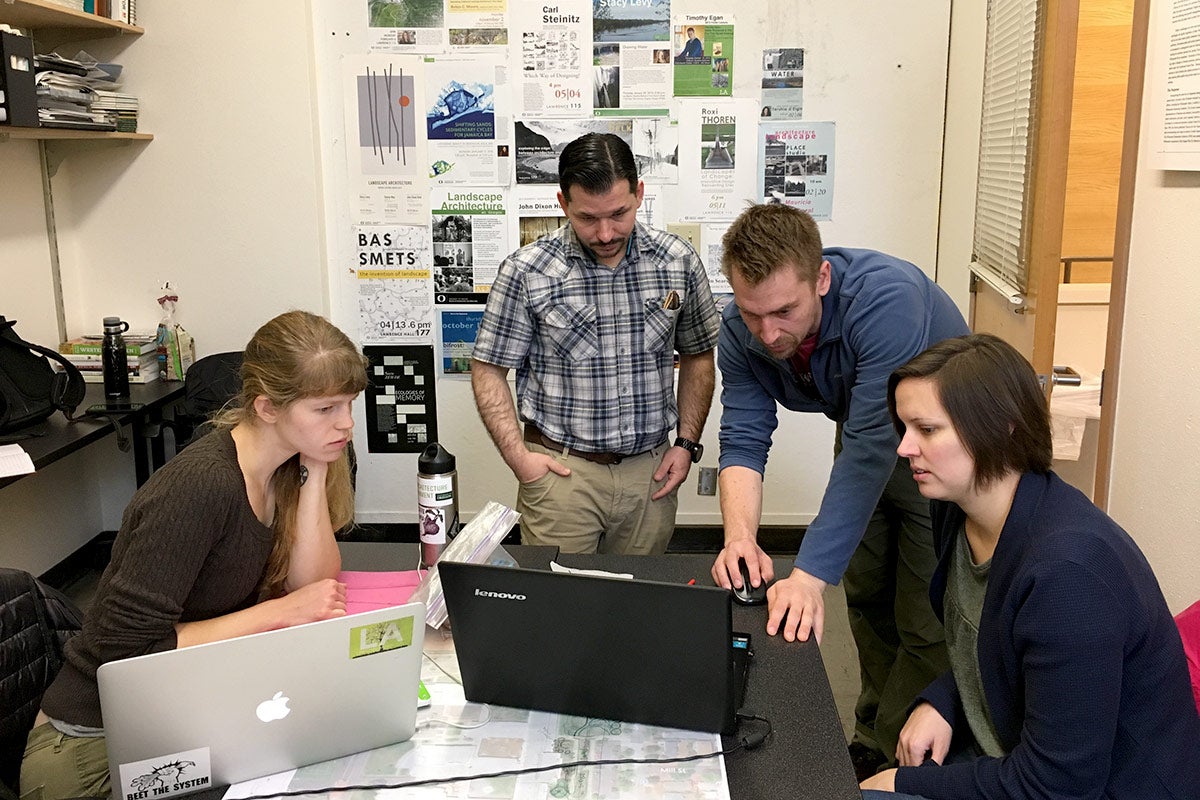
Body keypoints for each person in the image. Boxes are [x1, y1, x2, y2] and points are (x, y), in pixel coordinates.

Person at [21, 311, 366, 798]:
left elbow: (310, 587)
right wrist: (275, 614)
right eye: (326, 409)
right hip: (95, 749)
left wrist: (313, 469)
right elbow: (124, 654)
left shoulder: (286, 464)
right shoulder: (201, 486)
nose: (347, 424)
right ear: (267, 408)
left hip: (184, 713)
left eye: (349, 404)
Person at [860, 333, 1200, 799]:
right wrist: (943, 701)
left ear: (1002, 427)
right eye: (905, 428)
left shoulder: (1069, 574)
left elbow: (1058, 786)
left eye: (928, 429)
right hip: (1013, 754)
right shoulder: (954, 507)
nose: (904, 449)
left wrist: (909, 782)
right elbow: (995, 649)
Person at [709, 204, 968, 777]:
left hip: (938, 447)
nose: (768, 332)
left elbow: (879, 444)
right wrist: (740, 538)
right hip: (864, 434)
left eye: (784, 311)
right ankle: (874, 735)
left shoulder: (887, 299)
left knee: (924, 615)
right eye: (753, 314)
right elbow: (743, 437)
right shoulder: (739, 328)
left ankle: (908, 760)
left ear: (821, 278)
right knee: (868, 592)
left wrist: (806, 575)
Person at [472, 132, 719, 555]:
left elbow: (698, 354)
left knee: (638, 606)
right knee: (560, 610)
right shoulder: (527, 271)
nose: (605, 233)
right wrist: (519, 458)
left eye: (619, 213)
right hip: (562, 475)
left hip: (651, 475)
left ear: (638, 194)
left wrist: (686, 443)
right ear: (563, 203)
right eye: (587, 218)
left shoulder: (677, 260)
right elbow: (488, 367)